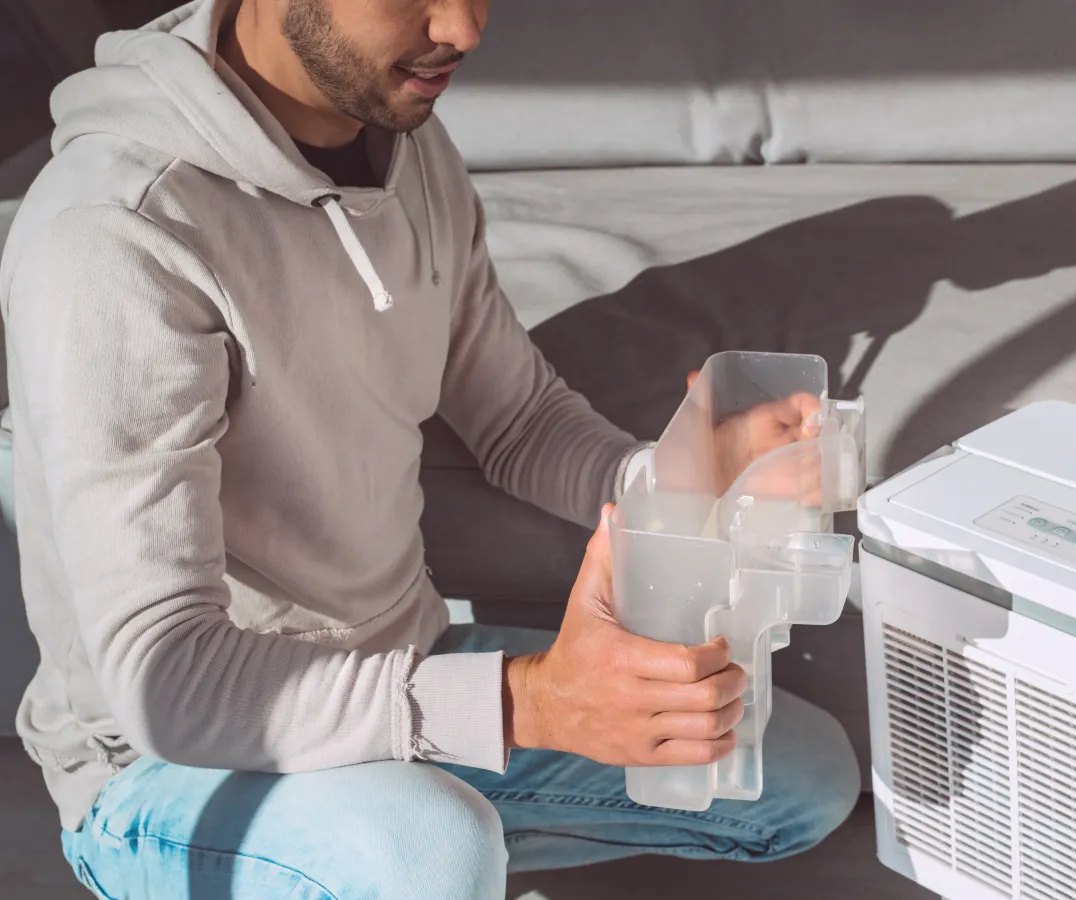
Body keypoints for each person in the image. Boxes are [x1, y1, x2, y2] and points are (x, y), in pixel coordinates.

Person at [0, 0, 861, 896]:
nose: (463, 29)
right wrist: (529, 702)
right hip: (169, 768)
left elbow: (518, 418)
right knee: (426, 850)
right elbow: (167, 682)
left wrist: (681, 472)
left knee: (793, 777)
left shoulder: (405, 145)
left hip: (394, 673)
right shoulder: (115, 233)